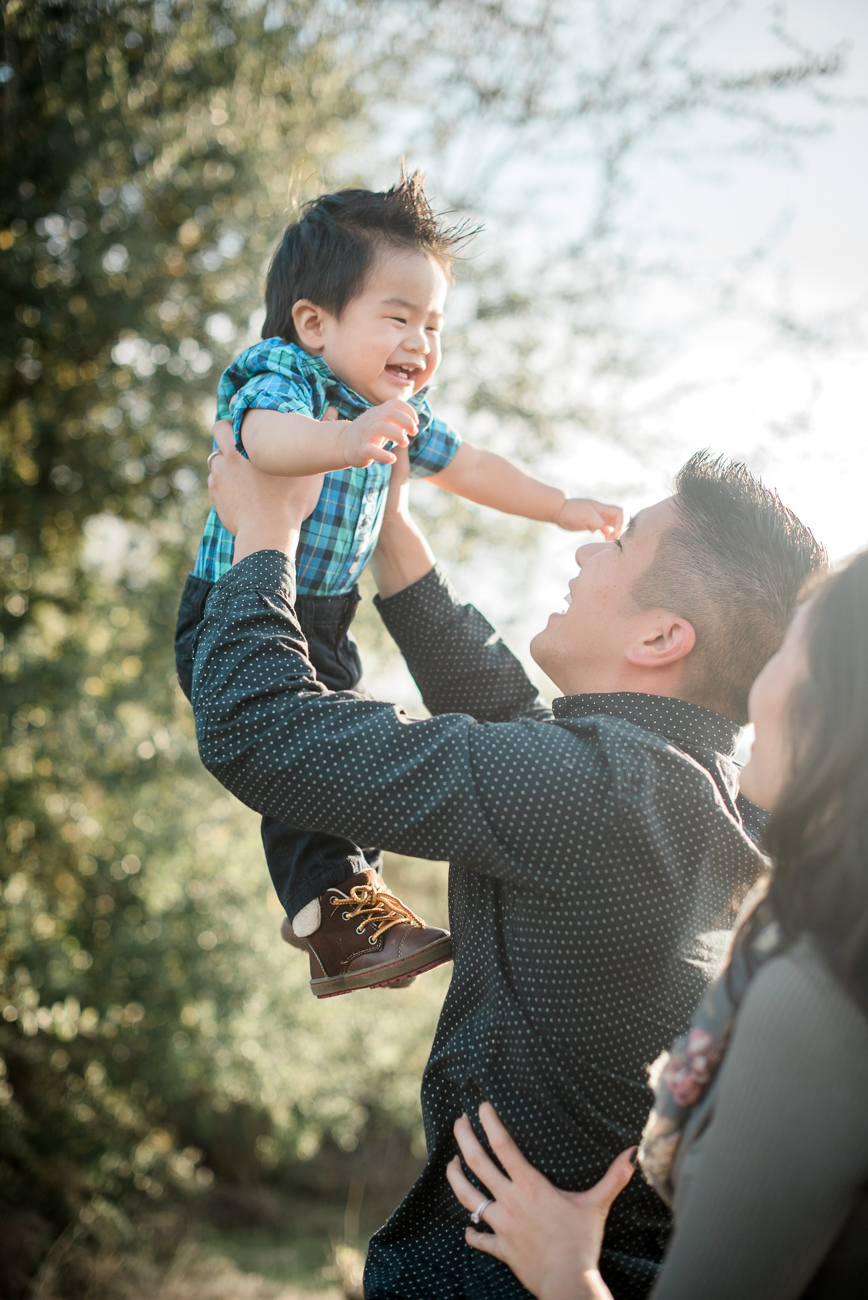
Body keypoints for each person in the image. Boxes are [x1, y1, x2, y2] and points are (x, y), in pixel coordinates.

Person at [193, 428, 825, 1299]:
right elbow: (512, 722)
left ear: (660, 637)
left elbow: (257, 729)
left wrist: (264, 537)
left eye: (622, 539)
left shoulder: (600, 795)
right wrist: (394, 531)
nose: (586, 548)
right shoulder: (685, 792)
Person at [175, 172, 622, 999]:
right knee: (302, 752)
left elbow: (475, 466)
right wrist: (344, 441)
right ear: (314, 322)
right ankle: (330, 913)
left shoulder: (400, 409)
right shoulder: (286, 376)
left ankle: (342, 919)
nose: (421, 342)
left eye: (433, 324)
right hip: (235, 602)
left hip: (325, 614)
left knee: (336, 748)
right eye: (398, 317)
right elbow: (258, 441)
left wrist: (558, 506)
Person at [446, 548, 868, 1300]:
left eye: (792, 650)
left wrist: (564, 1267)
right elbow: (528, 742)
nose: (756, 687)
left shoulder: (819, 998)